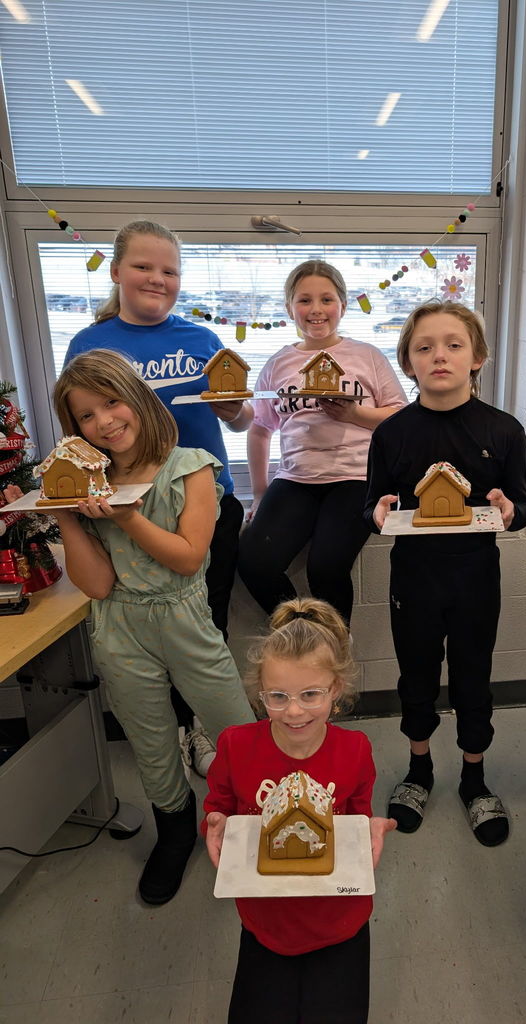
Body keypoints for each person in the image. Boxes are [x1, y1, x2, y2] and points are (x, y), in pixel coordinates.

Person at [49, 349, 255, 904]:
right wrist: (67, 513)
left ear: (137, 398)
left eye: (111, 403)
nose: (103, 422)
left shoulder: (191, 466)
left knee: (235, 727)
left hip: (183, 615)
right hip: (119, 625)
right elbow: (95, 585)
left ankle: (254, 819)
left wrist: (128, 516)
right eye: (85, 416)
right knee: (150, 738)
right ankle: (175, 830)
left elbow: (189, 558)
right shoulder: (91, 484)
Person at [65, 220, 252, 775]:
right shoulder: (90, 344)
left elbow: (241, 417)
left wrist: (232, 409)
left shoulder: (202, 341)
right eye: (144, 267)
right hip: (124, 510)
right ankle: (163, 729)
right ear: (117, 271)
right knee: (145, 632)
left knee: (205, 625)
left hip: (201, 501)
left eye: (170, 270)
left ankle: (201, 728)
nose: (157, 278)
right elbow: (79, 427)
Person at [364, 300, 526, 846]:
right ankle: (419, 771)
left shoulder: (503, 430)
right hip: (412, 578)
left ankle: (474, 778)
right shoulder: (392, 433)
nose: (440, 355)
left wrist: (510, 510)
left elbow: (523, 505)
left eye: (454, 344)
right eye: (424, 347)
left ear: (477, 357)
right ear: (408, 363)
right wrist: (376, 511)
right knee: (416, 676)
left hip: (475, 577)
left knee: (471, 677)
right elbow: (370, 504)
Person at [203, 596, 396, 1024]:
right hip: (266, 922)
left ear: (336, 690)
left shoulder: (355, 750)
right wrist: (214, 823)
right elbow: (218, 804)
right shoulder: (236, 745)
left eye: (310, 694)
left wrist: (367, 831)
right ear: (260, 694)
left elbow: (356, 816)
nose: (293, 710)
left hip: (339, 922)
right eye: (278, 696)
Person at [238, 259, 406, 625]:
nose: (316, 310)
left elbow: (401, 416)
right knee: (254, 563)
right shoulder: (279, 363)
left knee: (326, 568)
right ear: (289, 309)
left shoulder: (367, 356)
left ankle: (334, 655)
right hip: (296, 479)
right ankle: (307, 637)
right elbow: (260, 429)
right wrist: (261, 492)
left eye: (327, 299)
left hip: (355, 479)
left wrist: (354, 416)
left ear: (342, 306)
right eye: (304, 300)